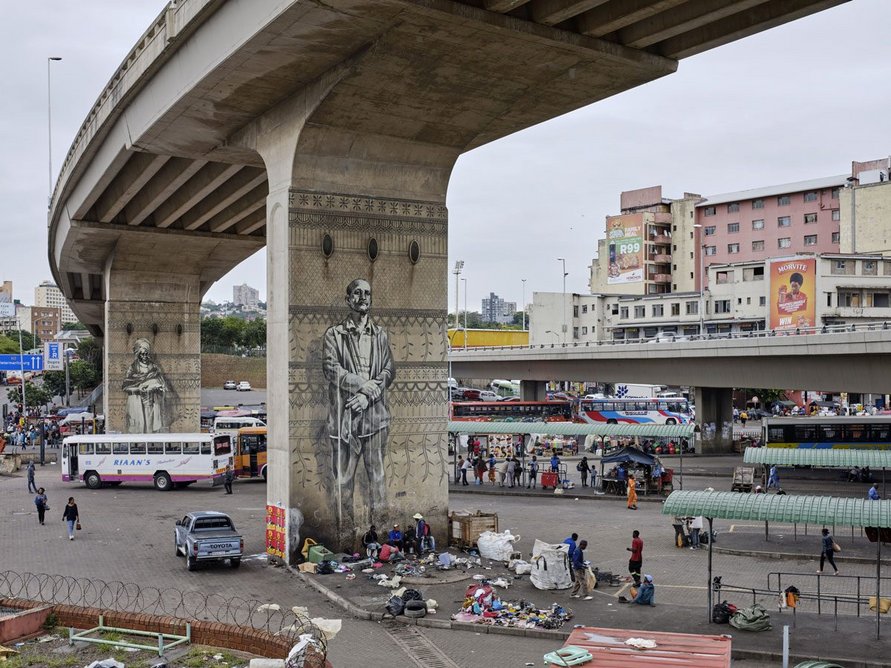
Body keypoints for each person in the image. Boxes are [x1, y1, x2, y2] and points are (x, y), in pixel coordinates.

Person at [323, 279, 396, 522]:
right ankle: (345, 534)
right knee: (344, 480)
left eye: (367, 293)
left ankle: (381, 533)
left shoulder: (380, 335)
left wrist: (367, 395)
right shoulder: (334, 335)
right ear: (348, 299)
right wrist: (362, 385)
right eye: (357, 293)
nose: (363, 297)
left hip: (375, 418)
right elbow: (331, 368)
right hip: (344, 420)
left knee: (377, 476)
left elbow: (388, 370)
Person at [121, 338, 171, 433]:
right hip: (137, 401)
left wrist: (158, 387)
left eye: (146, 353)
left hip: (152, 400)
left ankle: (152, 444)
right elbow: (125, 386)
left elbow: (162, 382)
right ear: (138, 354)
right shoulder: (133, 367)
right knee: (139, 425)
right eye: (142, 354)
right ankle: (140, 444)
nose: (145, 356)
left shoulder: (153, 367)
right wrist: (138, 389)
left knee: (151, 424)